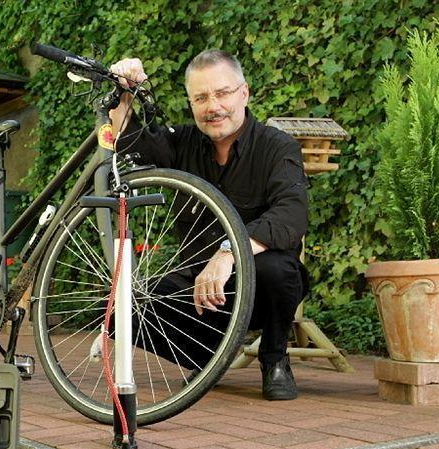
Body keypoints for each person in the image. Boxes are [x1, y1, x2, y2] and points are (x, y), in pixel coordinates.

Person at [109, 50, 309, 400]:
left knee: (280, 269)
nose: (212, 106)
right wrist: (124, 91)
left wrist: (229, 252)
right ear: (191, 103)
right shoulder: (180, 143)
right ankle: (209, 360)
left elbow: (292, 214)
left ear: (243, 93)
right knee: (116, 310)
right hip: (197, 290)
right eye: (201, 98)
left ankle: (274, 358)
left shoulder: (277, 147)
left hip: (259, 288)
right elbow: (127, 142)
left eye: (222, 93)